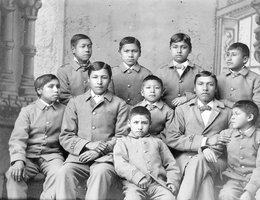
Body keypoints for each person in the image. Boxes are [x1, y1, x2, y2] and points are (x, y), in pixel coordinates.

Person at [55, 61, 129, 200]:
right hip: (78, 157)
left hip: (106, 158)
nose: (99, 82)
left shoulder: (119, 104)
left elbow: (122, 137)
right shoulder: (76, 102)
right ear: (88, 79)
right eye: (95, 77)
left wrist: (98, 151)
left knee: (101, 173)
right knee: (64, 172)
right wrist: (88, 145)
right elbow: (66, 136)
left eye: (104, 77)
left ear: (110, 80)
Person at [164, 71, 232, 200]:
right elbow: (172, 138)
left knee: (200, 160)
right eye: (201, 84)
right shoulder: (182, 109)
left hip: (215, 159)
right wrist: (205, 142)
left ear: (216, 88)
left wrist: (208, 149)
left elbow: (229, 139)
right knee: (205, 179)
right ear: (194, 88)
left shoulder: (227, 111)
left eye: (210, 84)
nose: (205, 88)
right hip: (186, 159)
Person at [5, 74, 65, 199]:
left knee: (60, 173)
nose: (56, 90)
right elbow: (18, 139)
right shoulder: (27, 111)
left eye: (58, 86)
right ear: (39, 90)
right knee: (13, 175)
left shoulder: (65, 110)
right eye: (51, 86)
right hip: (29, 157)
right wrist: (18, 160)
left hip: (53, 157)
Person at [114, 106, 181, 200]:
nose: (140, 127)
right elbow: (120, 164)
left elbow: (171, 164)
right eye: (136, 122)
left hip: (158, 185)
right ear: (129, 123)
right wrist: (137, 177)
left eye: (144, 123)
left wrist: (172, 182)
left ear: (150, 124)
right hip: (133, 185)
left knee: (169, 197)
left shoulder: (158, 142)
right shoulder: (122, 142)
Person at [210, 100, 260, 200]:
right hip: (234, 179)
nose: (232, 117)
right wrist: (206, 149)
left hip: (256, 180)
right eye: (232, 114)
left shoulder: (258, 136)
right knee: (226, 195)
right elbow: (214, 149)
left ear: (249, 117)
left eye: (237, 114)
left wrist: (250, 191)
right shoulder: (227, 134)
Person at [155, 33, 203, 109]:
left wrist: (188, 97)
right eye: (175, 47)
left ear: (190, 50)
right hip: (166, 116)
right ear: (170, 49)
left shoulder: (199, 71)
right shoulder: (161, 72)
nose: (179, 51)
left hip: (190, 115)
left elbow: (206, 94)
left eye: (184, 47)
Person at [217, 42, 260, 126]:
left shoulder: (255, 79)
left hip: (246, 124)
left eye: (233, 55)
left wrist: (229, 104)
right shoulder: (219, 78)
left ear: (244, 59)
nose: (228, 59)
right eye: (227, 55)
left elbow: (257, 108)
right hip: (222, 124)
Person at [109, 36, 152, 106]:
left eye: (134, 51)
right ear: (120, 53)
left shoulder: (147, 74)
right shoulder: (111, 72)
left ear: (140, 53)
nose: (130, 55)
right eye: (126, 51)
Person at [57, 34, 93, 105]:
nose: (87, 50)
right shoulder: (64, 71)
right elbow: (64, 97)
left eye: (89, 47)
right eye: (83, 46)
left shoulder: (96, 69)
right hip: (72, 112)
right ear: (73, 49)